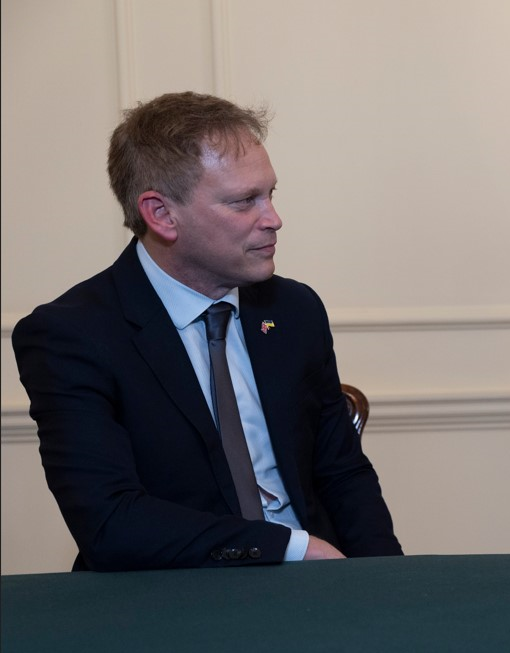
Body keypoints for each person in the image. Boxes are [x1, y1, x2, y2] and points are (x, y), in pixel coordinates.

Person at [13, 91, 403, 571]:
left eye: (270, 194)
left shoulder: (294, 310)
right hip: (172, 594)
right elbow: (110, 522)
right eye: (244, 202)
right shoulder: (72, 335)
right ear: (161, 214)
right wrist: (288, 548)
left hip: (318, 585)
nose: (274, 220)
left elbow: (342, 474)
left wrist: (386, 582)